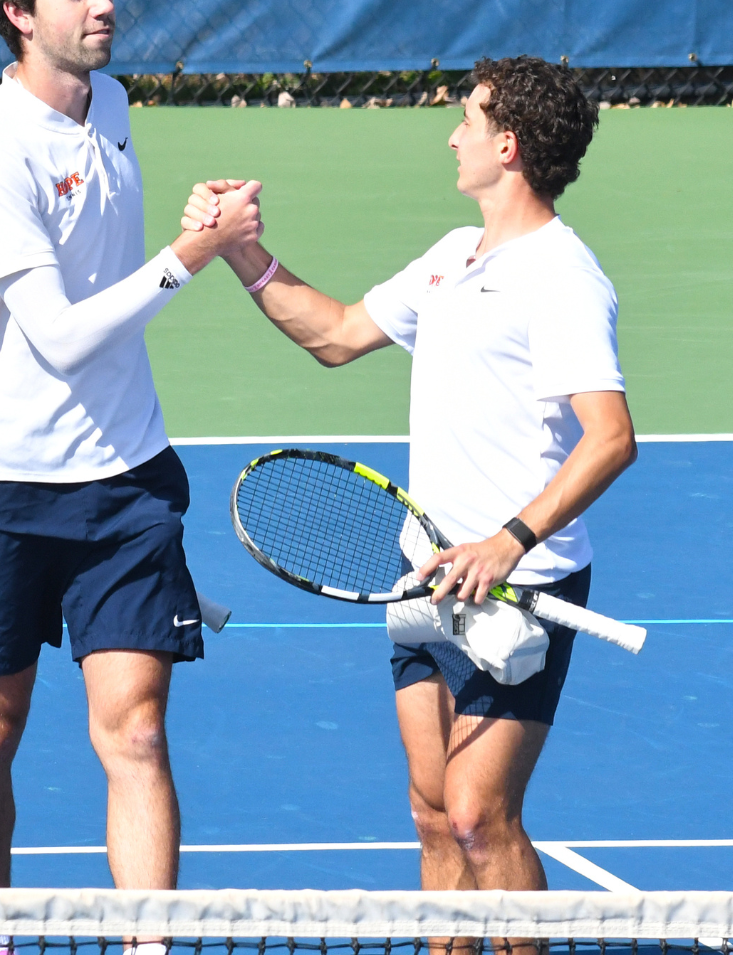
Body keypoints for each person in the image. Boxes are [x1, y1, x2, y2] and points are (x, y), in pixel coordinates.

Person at [183, 56, 637, 897]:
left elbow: (610, 439)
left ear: (508, 147)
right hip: (424, 569)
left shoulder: (563, 277)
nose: (452, 134)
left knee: (477, 815)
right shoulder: (454, 256)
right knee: (432, 813)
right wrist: (241, 253)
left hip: (515, 580)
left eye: (468, 118)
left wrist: (507, 542)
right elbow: (338, 332)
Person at [0, 0, 262, 896]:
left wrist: (184, 230)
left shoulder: (110, 104)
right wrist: (190, 255)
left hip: (124, 481)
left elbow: (103, 270)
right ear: (20, 14)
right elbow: (62, 338)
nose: (104, 4)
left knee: (140, 732)